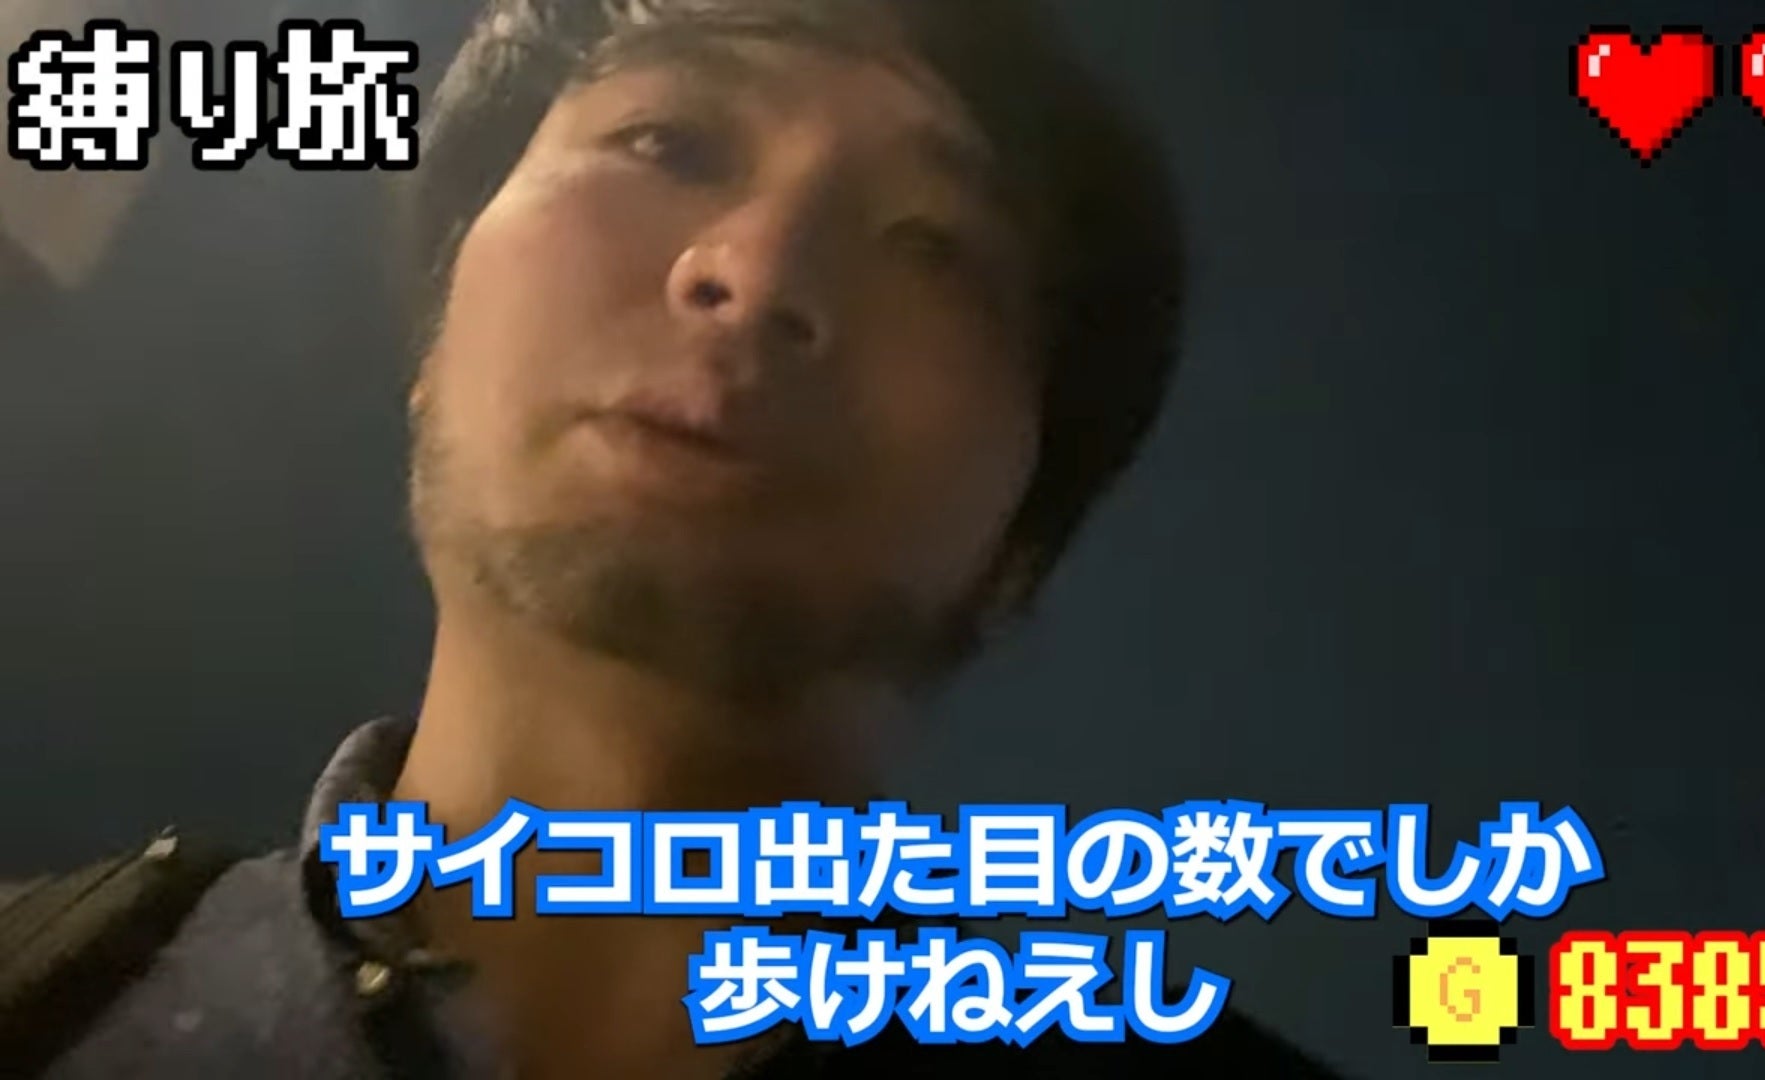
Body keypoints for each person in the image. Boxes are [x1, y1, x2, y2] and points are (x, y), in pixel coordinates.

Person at [3, 1, 1345, 1076]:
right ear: (435, 340)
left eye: (935, 246)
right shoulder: (46, 990)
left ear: (1021, 546)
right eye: (668, 144)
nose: (754, 274)